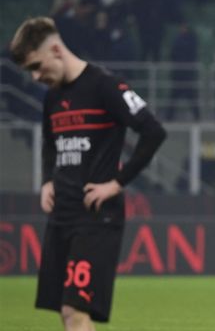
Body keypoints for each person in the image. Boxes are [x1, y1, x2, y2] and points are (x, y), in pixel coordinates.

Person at [10, 17, 166, 331]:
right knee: (66, 312)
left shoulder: (106, 85)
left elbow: (153, 131)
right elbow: (49, 141)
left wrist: (117, 183)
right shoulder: (53, 96)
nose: (37, 76)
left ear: (55, 49)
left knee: (74, 309)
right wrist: (47, 181)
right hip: (62, 214)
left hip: (95, 217)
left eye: (38, 66)